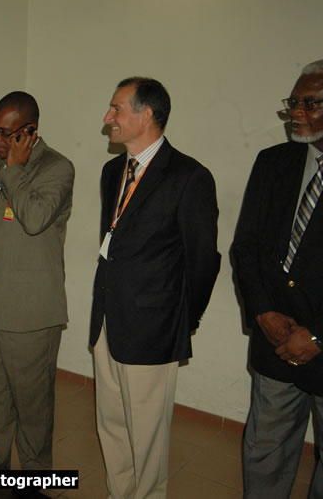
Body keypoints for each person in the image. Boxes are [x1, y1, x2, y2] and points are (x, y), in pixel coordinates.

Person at [89, 77, 220, 498]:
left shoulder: (189, 176)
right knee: (111, 423)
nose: (108, 118)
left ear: (146, 115)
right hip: (108, 319)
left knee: (146, 433)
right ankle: (119, 492)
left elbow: (202, 260)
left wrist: (182, 320)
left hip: (153, 328)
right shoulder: (113, 171)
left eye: (117, 109)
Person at [231, 58, 323, 499]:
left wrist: (319, 336)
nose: (297, 113)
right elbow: (247, 247)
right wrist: (263, 312)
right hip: (275, 338)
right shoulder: (273, 162)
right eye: (294, 103)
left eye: (310, 104)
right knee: (265, 454)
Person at [0, 92, 74, 497]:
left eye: (7, 133)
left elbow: (35, 219)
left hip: (30, 313)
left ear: (30, 132)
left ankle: (34, 479)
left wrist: (13, 168)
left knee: (33, 404)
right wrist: (7, 166)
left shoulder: (57, 168)